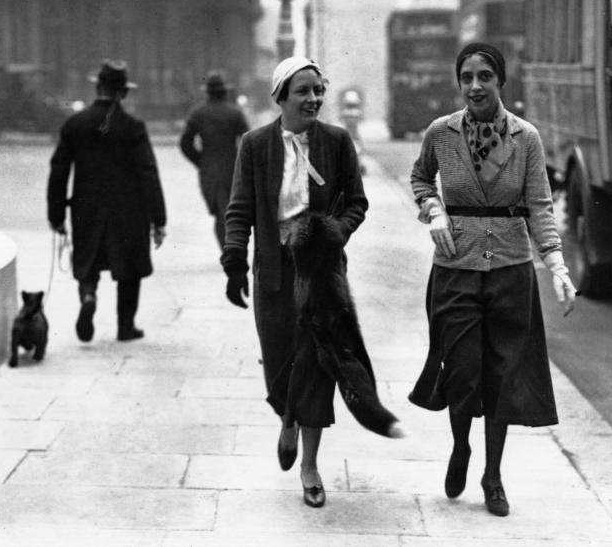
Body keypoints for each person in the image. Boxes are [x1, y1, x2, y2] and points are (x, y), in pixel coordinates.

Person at [408, 41, 577, 517]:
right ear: (458, 82)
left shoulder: (526, 138)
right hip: (455, 269)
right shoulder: (441, 133)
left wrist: (557, 265)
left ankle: (493, 474)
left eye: (485, 76)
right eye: (466, 77)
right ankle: (461, 444)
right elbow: (421, 178)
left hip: (509, 270)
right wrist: (434, 210)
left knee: (501, 378)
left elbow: (540, 205)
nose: (475, 85)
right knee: (461, 373)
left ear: (501, 81)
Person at [220, 56, 380, 509]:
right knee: (279, 369)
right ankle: (286, 418)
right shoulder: (255, 146)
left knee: (316, 367)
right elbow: (240, 210)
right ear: (281, 98)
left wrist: (335, 232)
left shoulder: (336, 142)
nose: (313, 99)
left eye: (317, 90)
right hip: (274, 272)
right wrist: (234, 259)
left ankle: (309, 465)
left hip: (320, 273)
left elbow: (357, 203)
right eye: (302, 92)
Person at [47, 60, 167, 342]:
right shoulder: (133, 126)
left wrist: (56, 215)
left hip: (85, 208)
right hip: (129, 211)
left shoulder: (74, 124)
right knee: (129, 267)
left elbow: (59, 170)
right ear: (123, 93)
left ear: (98, 87)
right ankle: (126, 326)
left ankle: (88, 295)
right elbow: (148, 172)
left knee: (88, 258)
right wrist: (158, 219)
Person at [179, 71, 249, 248]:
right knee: (232, 212)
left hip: (209, 171)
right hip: (232, 170)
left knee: (220, 212)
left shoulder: (198, 113)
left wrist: (200, 161)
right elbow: (248, 141)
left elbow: (185, 143)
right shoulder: (235, 113)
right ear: (225, 91)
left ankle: (227, 248)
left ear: (208, 92)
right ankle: (233, 247)